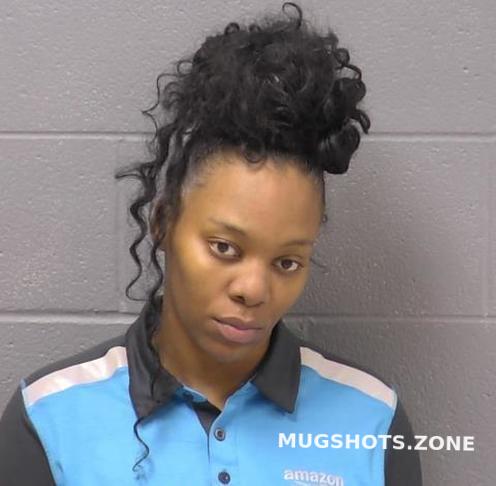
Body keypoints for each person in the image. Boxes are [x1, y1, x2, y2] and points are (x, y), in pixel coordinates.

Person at [0, 2, 422, 485]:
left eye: (287, 262)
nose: (253, 290)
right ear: (163, 222)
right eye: (225, 248)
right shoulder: (49, 418)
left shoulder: (373, 421)